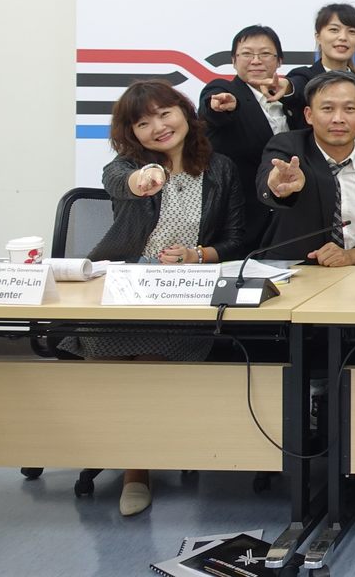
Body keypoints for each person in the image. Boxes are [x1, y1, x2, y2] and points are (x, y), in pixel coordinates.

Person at [63, 79, 245, 516]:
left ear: (184, 112)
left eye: (165, 114)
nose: (158, 127)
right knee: (109, 376)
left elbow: (237, 238)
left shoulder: (220, 169)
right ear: (132, 134)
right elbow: (122, 182)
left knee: (149, 372)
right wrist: (144, 179)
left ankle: (135, 472)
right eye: (143, 123)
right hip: (123, 289)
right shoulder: (124, 167)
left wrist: (198, 255)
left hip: (184, 297)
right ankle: (123, 448)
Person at [258, 70, 355, 267]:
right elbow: (270, 178)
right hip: (297, 275)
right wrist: (278, 187)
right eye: (328, 109)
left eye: (349, 109)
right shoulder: (288, 147)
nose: (338, 118)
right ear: (309, 115)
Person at [200, 25, 302, 248]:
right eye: (246, 54)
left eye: (265, 54)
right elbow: (211, 106)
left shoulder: (292, 102)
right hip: (241, 222)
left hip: (290, 221)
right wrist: (221, 106)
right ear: (234, 61)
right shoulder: (224, 89)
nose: (256, 60)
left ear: (279, 61)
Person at [288, 2, 355, 147]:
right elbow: (293, 88)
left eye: (352, 32)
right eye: (334, 30)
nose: (343, 37)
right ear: (318, 36)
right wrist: (286, 87)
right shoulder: (304, 77)